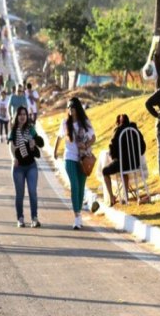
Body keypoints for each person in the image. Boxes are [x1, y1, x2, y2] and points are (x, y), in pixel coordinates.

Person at [53, 97, 95, 230]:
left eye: (73, 107)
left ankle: (79, 213)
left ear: (77, 108)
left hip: (83, 159)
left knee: (81, 186)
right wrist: (55, 151)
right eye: (69, 107)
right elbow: (59, 137)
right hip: (70, 158)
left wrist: (86, 144)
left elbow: (93, 137)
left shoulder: (85, 123)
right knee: (75, 185)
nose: (70, 110)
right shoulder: (65, 123)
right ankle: (77, 216)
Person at [8, 106, 41, 228]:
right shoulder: (13, 130)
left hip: (31, 166)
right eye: (20, 114)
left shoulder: (30, 129)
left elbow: (36, 139)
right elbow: (11, 145)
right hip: (18, 167)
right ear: (17, 116)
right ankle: (20, 218)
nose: (22, 116)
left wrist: (34, 143)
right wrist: (13, 158)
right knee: (20, 194)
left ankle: (34, 218)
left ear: (27, 116)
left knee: (32, 192)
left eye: (24, 114)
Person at [102, 114, 146, 206]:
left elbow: (112, 149)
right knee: (124, 172)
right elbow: (142, 148)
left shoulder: (118, 131)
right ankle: (125, 195)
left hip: (122, 163)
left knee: (105, 171)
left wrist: (115, 158)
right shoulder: (135, 130)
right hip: (135, 163)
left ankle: (112, 197)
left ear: (118, 123)